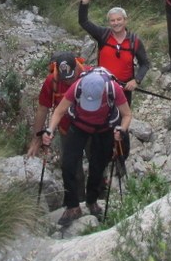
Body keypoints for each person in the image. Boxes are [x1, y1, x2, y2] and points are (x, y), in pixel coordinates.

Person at [42, 67, 132, 227]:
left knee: (98, 167)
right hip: (79, 126)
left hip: (104, 129)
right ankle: (73, 206)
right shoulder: (77, 86)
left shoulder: (113, 88)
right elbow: (59, 111)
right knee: (68, 164)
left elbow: (127, 114)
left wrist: (121, 130)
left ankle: (91, 201)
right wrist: (50, 129)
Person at [77, 0, 150, 160]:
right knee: (101, 120)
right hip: (102, 87)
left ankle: (121, 156)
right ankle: (103, 153)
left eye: (119, 20)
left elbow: (145, 63)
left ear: (125, 21)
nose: (116, 23)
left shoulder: (134, 41)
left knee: (121, 122)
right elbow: (84, 22)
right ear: (109, 23)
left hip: (124, 90)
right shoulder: (103, 35)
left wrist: (137, 80)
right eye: (112, 20)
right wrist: (84, 3)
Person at [26, 52, 87, 157]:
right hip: (66, 130)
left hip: (90, 128)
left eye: (71, 78)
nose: (68, 81)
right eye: (65, 78)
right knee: (70, 168)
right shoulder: (52, 81)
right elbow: (42, 109)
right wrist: (36, 139)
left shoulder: (90, 75)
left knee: (96, 162)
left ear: (76, 67)